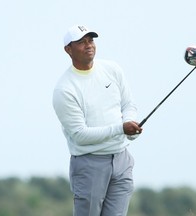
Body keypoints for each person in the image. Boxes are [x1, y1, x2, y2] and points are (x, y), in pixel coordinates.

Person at [52, 24, 142, 216]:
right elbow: (80, 135)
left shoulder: (112, 69)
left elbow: (128, 105)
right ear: (68, 50)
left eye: (90, 40)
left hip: (121, 159)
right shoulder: (65, 89)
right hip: (89, 164)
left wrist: (131, 127)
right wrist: (121, 128)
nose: (88, 45)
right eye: (81, 42)